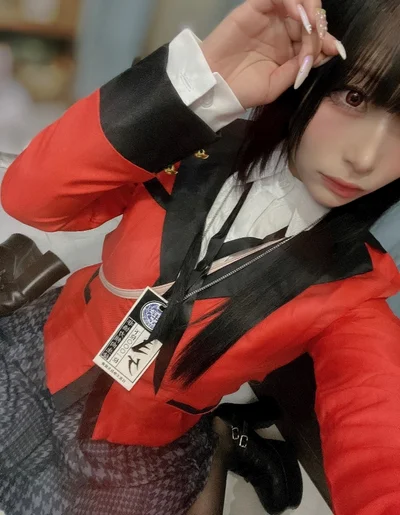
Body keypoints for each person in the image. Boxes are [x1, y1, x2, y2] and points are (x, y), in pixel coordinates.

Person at [1, 0, 400, 513]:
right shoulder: (191, 143)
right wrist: (197, 82)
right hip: (41, 351)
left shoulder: (355, 287)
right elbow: (30, 198)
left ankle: (218, 441)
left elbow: (379, 437)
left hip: (135, 445)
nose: (365, 158)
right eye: (354, 95)